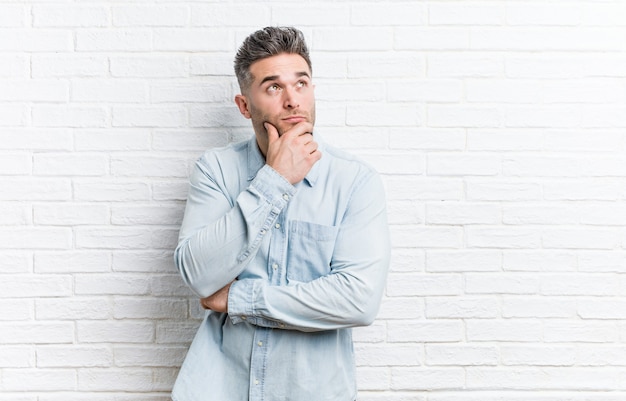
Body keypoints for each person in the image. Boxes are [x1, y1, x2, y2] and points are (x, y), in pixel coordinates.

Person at [172, 26, 390, 401]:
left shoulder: (355, 181)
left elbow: (358, 300)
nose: (292, 100)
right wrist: (274, 181)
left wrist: (239, 299)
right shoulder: (216, 171)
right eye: (274, 87)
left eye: (301, 83)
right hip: (218, 389)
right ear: (244, 106)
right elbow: (199, 274)